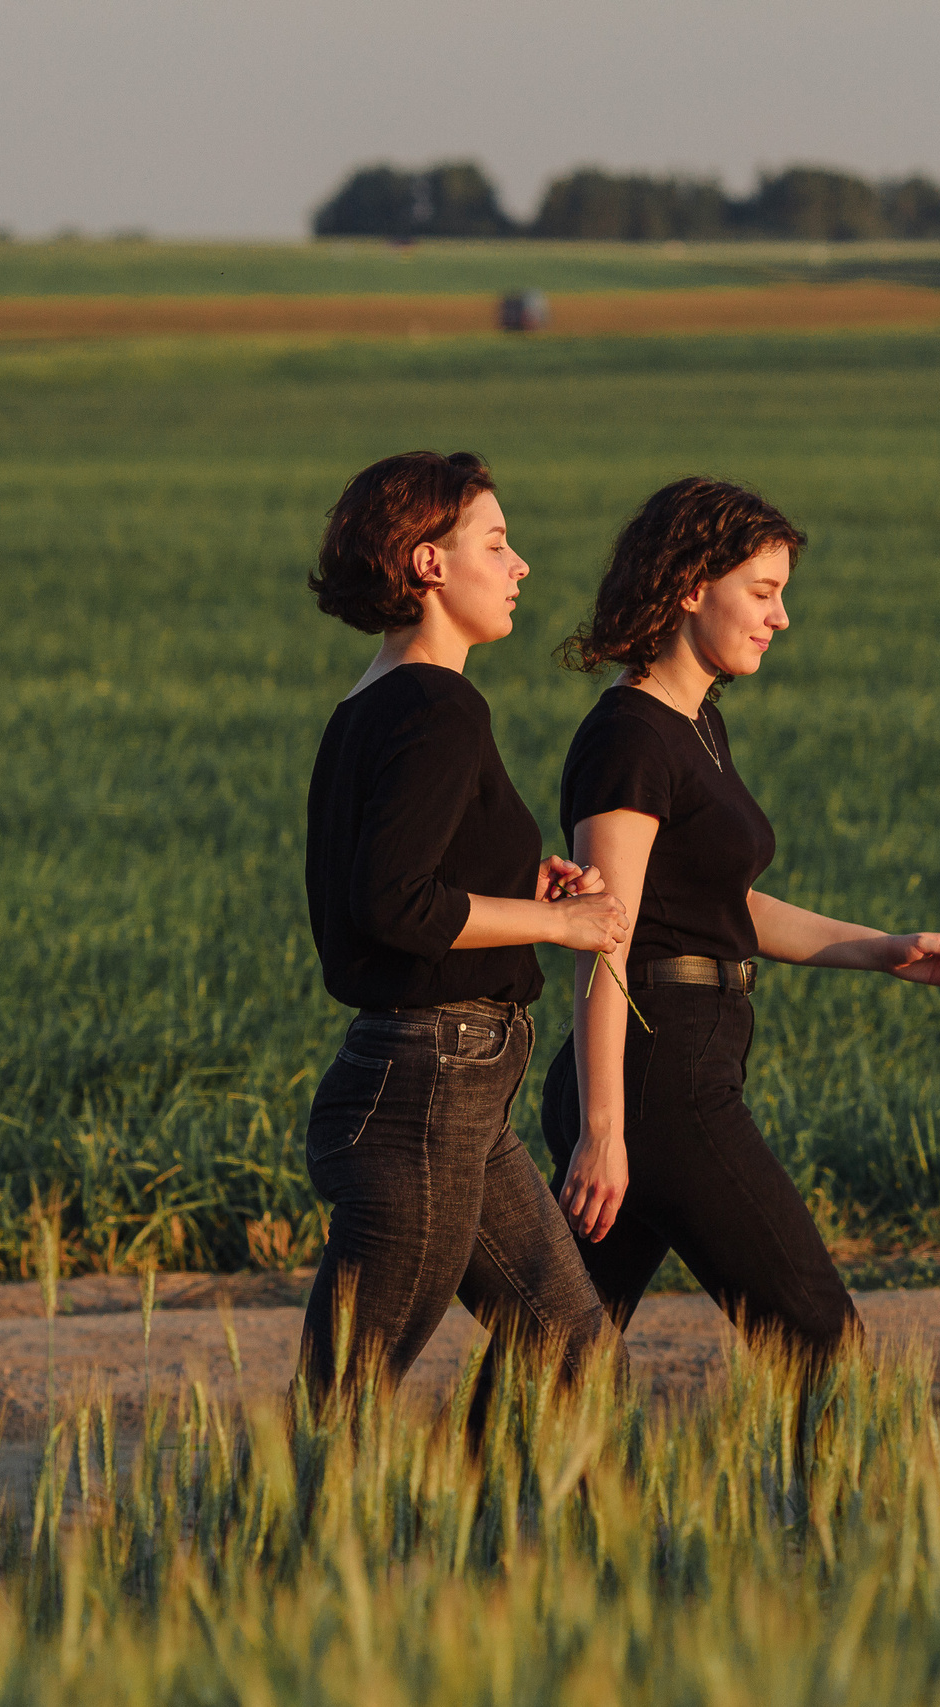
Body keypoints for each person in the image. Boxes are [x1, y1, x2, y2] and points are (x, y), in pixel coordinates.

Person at [541, 477, 940, 1367]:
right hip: (655, 1080)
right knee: (818, 1336)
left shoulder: (697, 724)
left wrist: (881, 949)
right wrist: (605, 1128)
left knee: (556, 1355)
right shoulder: (631, 738)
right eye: (764, 591)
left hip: (678, 1062)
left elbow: (721, 907)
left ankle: (469, 1465)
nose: (781, 617)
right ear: (690, 585)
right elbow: (604, 933)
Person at [298, 450, 627, 1408]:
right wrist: (560, 922)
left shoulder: (372, 703)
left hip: (452, 1097)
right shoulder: (439, 706)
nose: (520, 564)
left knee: (575, 1352)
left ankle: (490, 1515)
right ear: (428, 563)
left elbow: (394, 876)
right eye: (496, 542)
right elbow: (391, 903)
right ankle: (288, 1518)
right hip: (427, 1091)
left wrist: (516, 884)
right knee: (344, 1406)